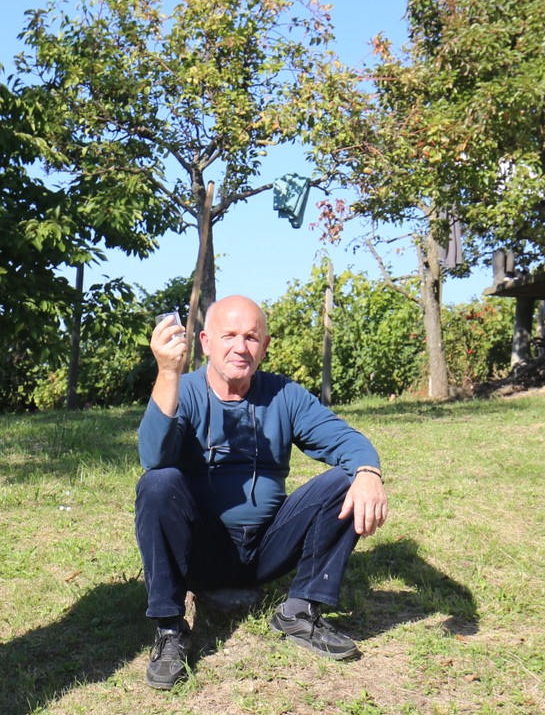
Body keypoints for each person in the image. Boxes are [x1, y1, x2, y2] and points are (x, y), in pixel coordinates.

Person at [133, 295, 388, 689]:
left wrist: (369, 471)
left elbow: (345, 440)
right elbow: (153, 455)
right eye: (229, 335)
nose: (240, 347)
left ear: (265, 346)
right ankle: (170, 630)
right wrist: (167, 372)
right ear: (205, 341)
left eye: (252, 337)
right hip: (201, 552)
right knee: (158, 483)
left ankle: (300, 611)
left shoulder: (283, 394)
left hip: (270, 548)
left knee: (346, 478)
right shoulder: (182, 391)